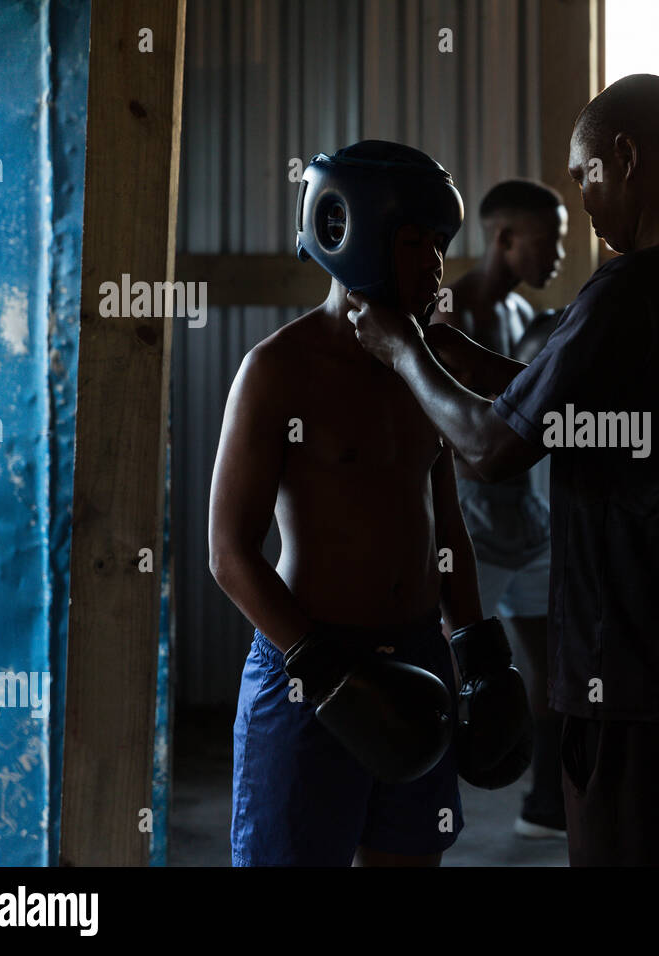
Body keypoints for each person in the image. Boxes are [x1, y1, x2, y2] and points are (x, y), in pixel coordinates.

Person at [345, 74, 659, 866]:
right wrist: (454, 355)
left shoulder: (629, 292)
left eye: (585, 173)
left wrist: (403, 350)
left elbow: (491, 449)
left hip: (639, 680)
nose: (584, 200)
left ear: (625, 157)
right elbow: (568, 401)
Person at [211, 140, 528, 867]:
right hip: (309, 669)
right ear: (346, 231)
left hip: (419, 657)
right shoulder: (278, 369)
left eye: (441, 245)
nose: (435, 266)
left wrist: (474, 646)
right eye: (416, 243)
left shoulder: (430, 362)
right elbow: (229, 555)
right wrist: (326, 673)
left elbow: (446, 524)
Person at [434, 179, 568, 838]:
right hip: (466, 521)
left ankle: (547, 805)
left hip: (525, 517)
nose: (560, 257)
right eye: (550, 242)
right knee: (446, 667)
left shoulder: (519, 315)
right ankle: (422, 808)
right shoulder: (445, 312)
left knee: (550, 660)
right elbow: (453, 433)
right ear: (505, 238)